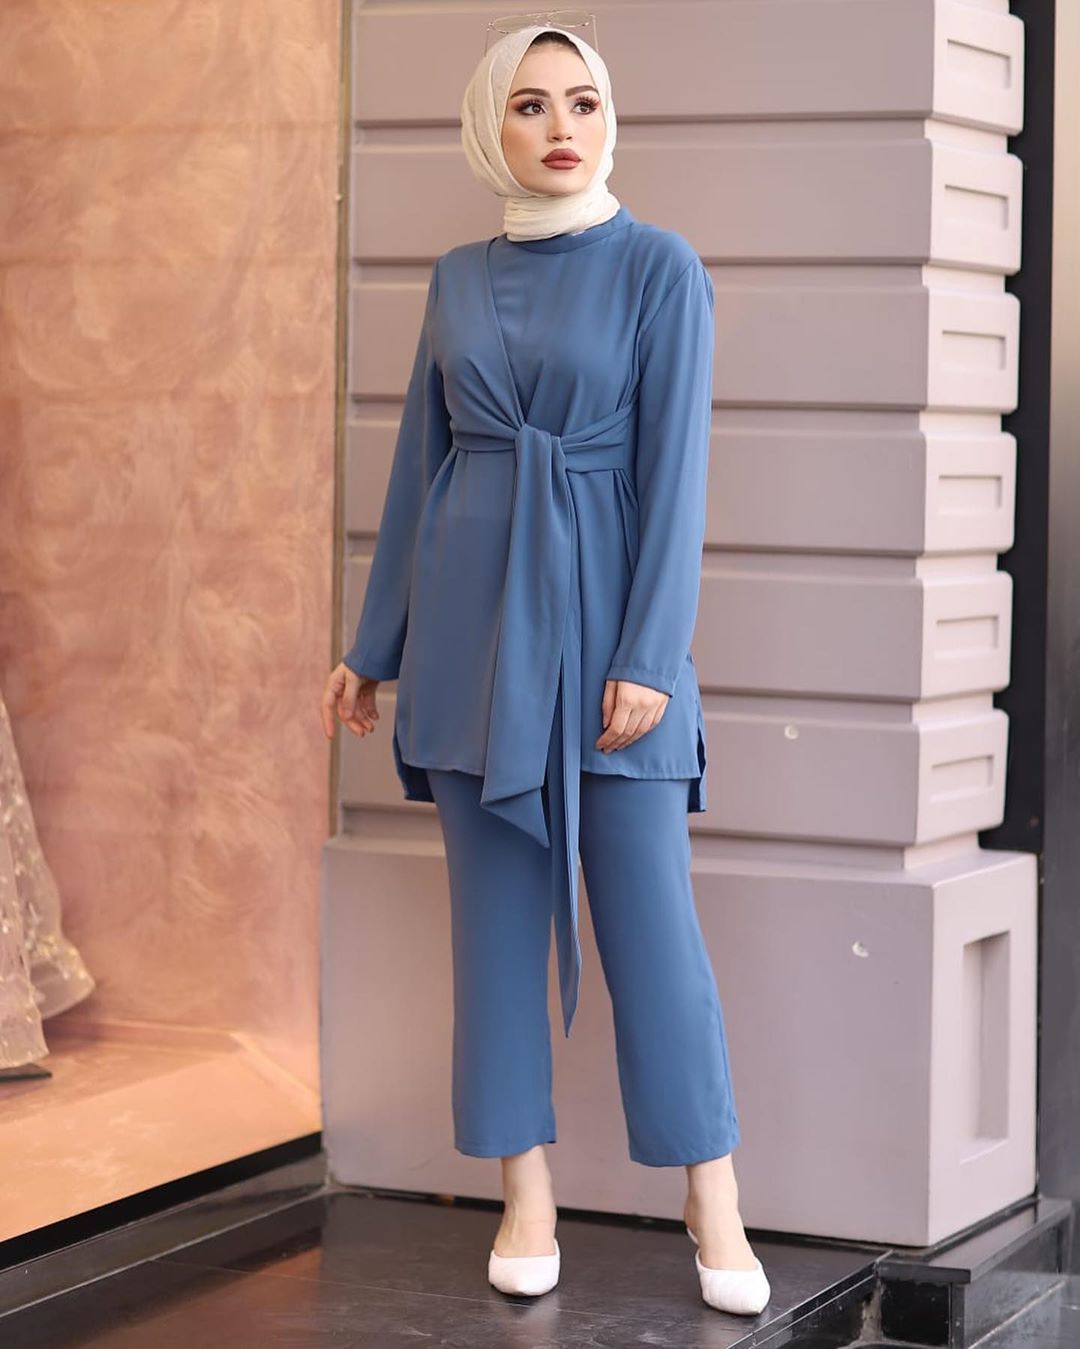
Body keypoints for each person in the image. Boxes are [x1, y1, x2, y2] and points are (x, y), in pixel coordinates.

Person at [320, 17, 770, 1317]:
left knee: (654, 937)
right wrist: (372, 648)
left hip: (615, 643)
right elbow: (421, 468)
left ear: (609, 117)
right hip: (471, 647)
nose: (561, 126)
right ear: (490, 128)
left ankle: (713, 1196)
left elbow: (676, 479)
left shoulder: (659, 268)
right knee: (498, 935)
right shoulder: (456, 279)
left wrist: (650, 656)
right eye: (529, 104)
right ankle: (525, 1188)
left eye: (581, 100)